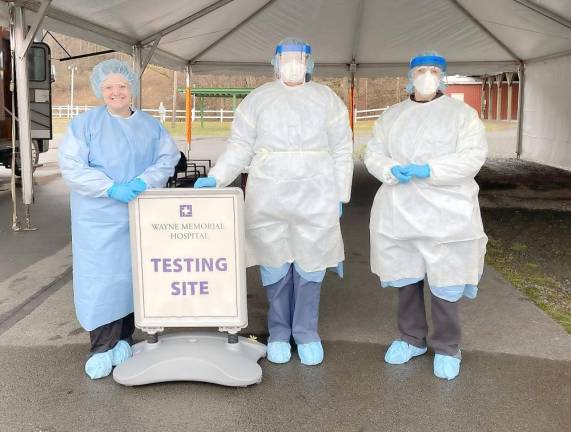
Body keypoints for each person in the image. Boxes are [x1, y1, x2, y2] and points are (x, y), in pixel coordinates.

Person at [194, 37, 353, 366]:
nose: (292, 64)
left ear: (310, 63)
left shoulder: (327, 100)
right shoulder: (258, 100)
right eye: (286, 58)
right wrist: (218, 175)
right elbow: (239, 146)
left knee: (311, 264)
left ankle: (306, 332)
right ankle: (280, 332)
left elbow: (342, 149)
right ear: (275, 61)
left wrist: (341, 192)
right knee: (274, 262)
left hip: (316, 192)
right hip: (269, 193)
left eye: (299, 58)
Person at [364, 51, 488, 380]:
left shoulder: (462, 115)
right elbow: (373, 152)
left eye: (434, 70)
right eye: (421, 69)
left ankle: (448, 346)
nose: (427, 75)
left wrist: (430, 169)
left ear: (443, 76)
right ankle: (411, 339)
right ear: (410, 75)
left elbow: (472, 157)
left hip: (447, 211)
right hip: (401, 208)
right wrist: (390, 168)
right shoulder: (392, 115)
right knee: (406, 277)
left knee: (446, 280)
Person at [59, 59, 180, 379]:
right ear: (101, 89)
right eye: (109, 87)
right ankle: (101, 347)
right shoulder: (84, 125)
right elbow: (71, 167)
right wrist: (110, 187)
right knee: (101, 281)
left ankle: (124, 338)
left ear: (132, 89)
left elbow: (169, 157)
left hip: (139, 214)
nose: (116, 92)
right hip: (97, 218)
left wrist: (145, 181)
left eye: (122, 86)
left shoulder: (150, 126)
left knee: (131, 278)